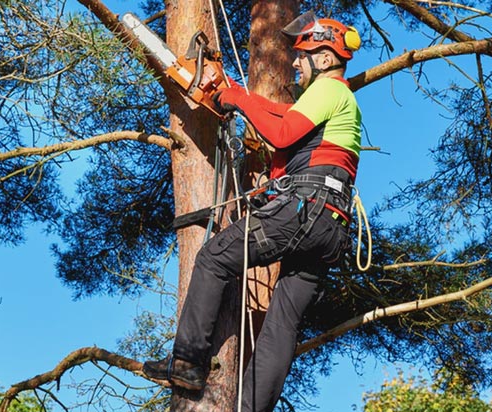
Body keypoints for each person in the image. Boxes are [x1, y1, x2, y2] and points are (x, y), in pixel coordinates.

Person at [142, 11, 362, 412]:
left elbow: (279, 133)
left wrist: (238, 98)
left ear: (327, 59)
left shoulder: (330, 90)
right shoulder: (336, 102)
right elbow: (283, 122)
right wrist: (238, 96)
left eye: (303, 55)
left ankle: (188, 362)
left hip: (306, 209)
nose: (295, 62)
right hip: (330, 224)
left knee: (213, 258)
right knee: (282, 323)